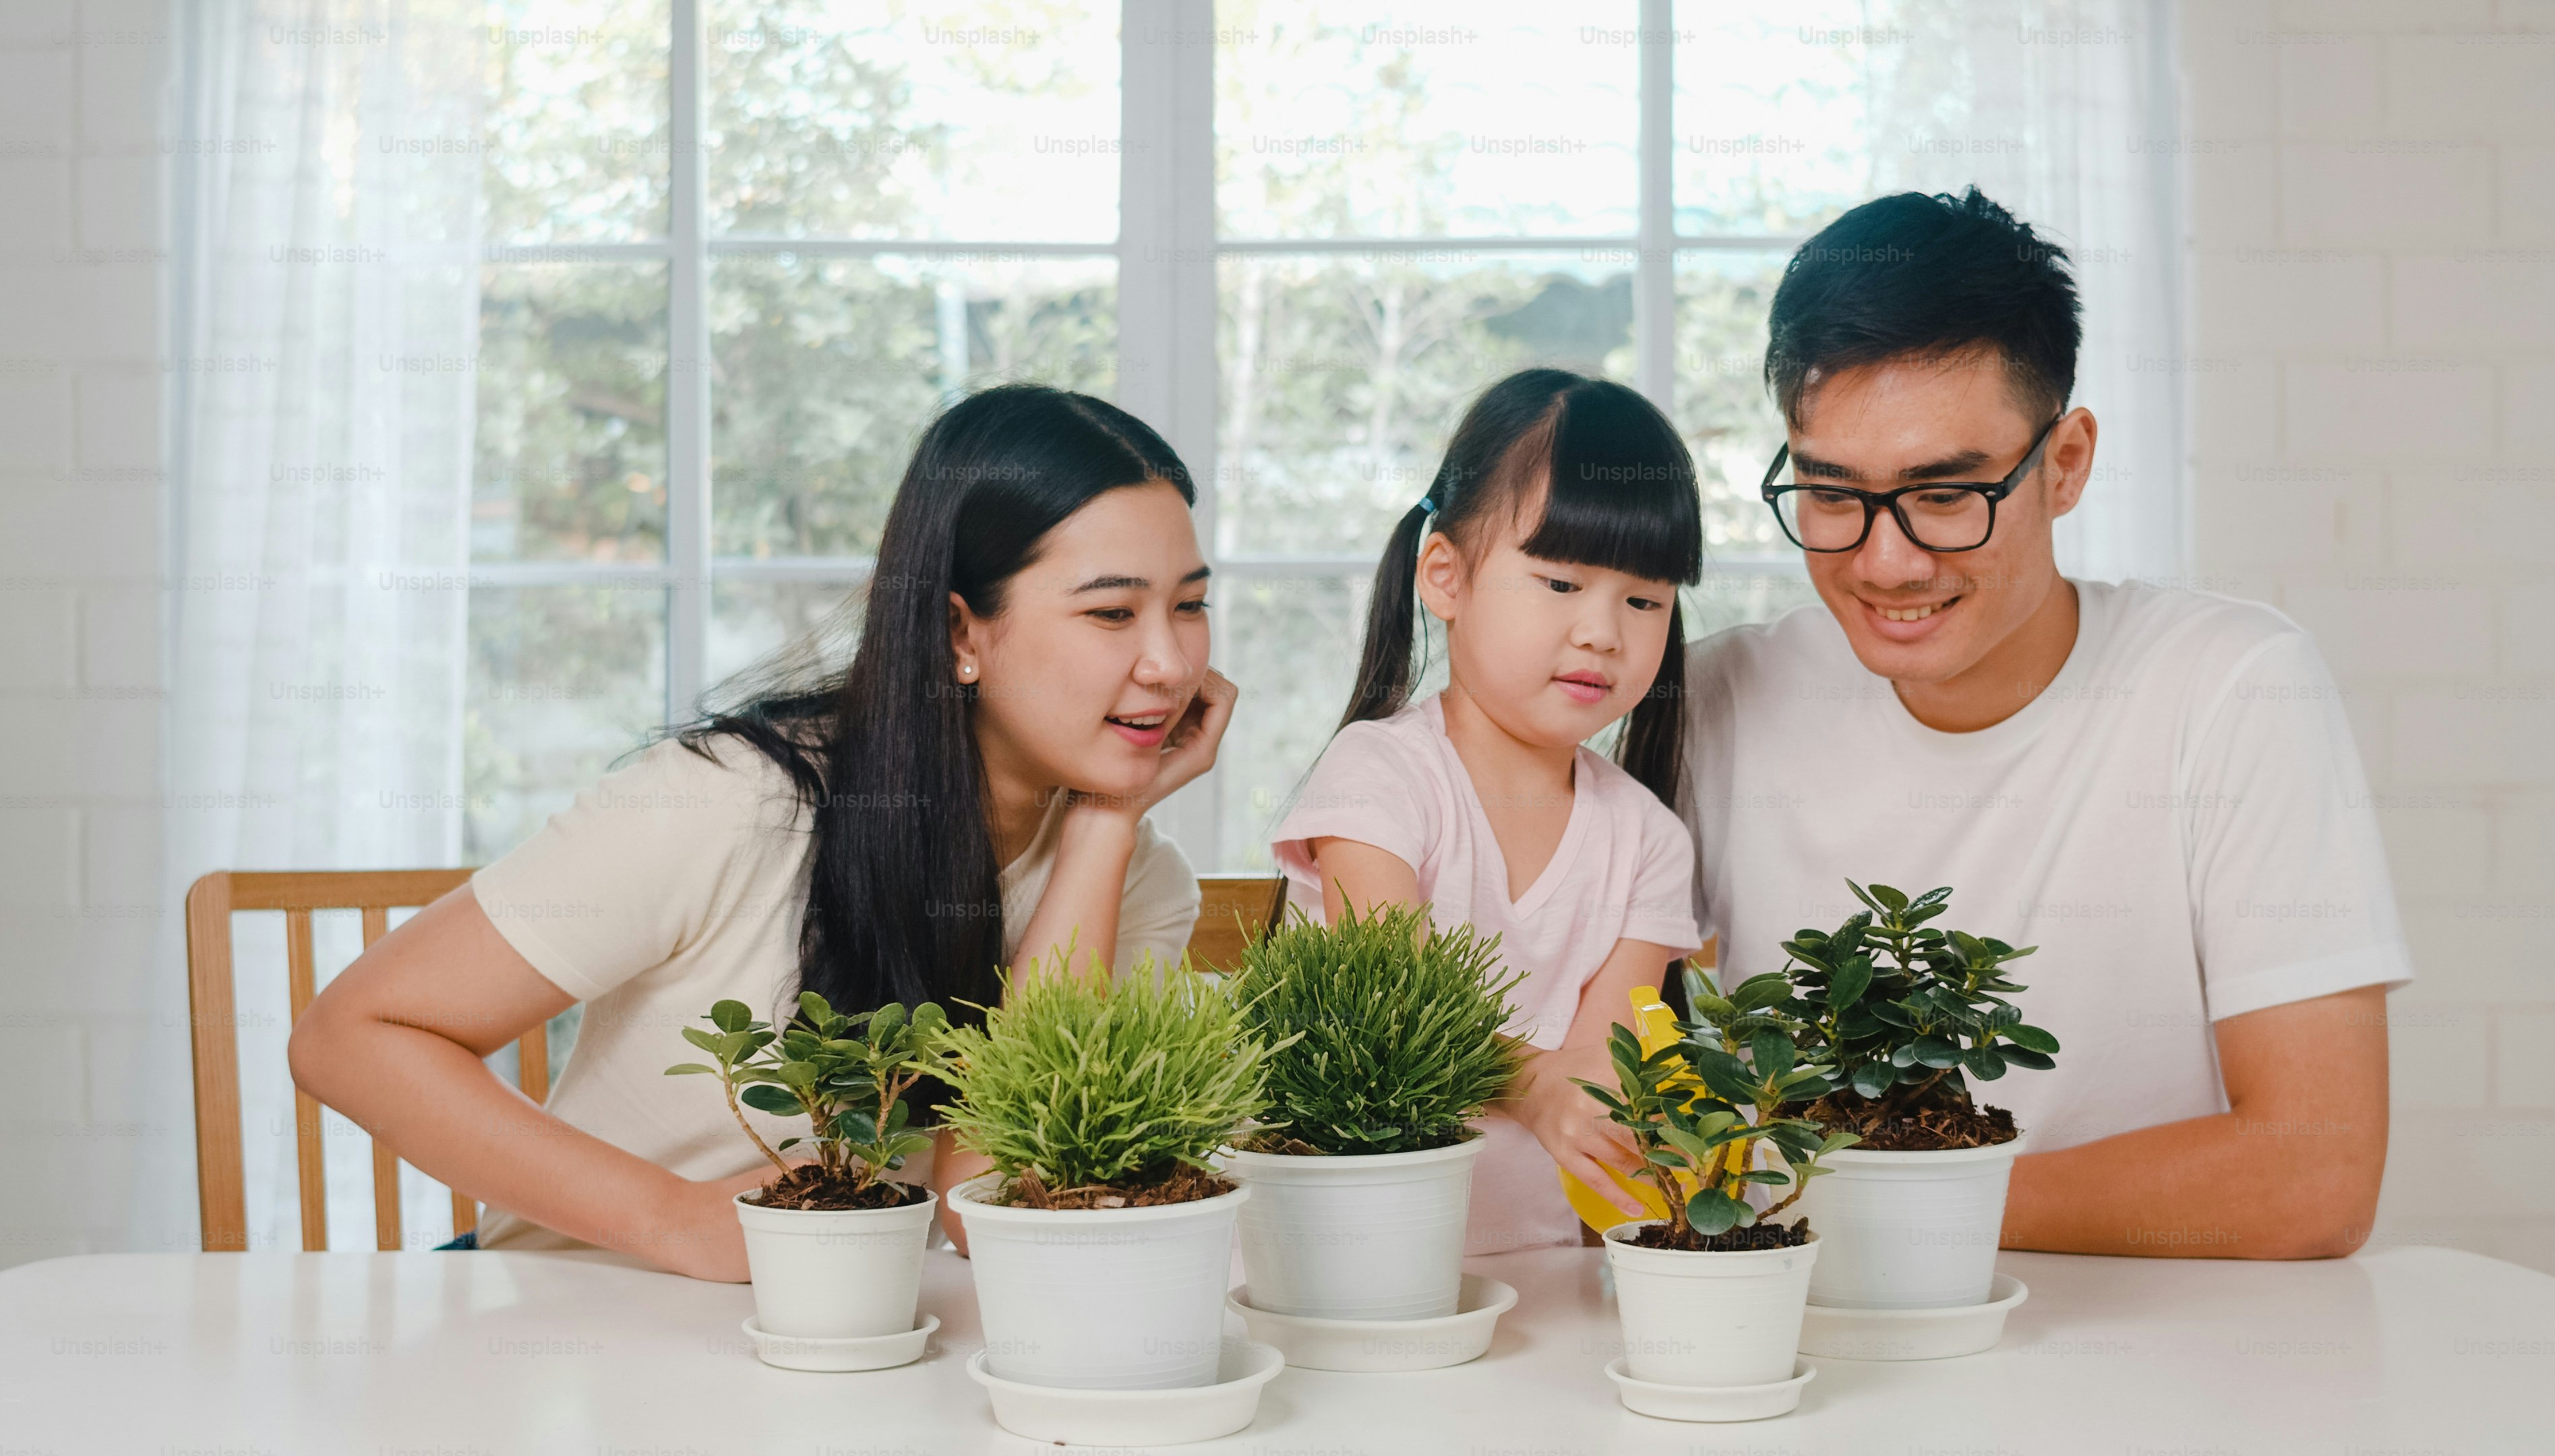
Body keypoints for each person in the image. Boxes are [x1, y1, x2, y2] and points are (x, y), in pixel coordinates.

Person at [289, 385, 1234, 1277]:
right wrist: (678, 1220)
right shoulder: (736, 801)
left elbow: (982, 1206)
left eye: (1189, 606)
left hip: (817, 1337)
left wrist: (1105, 827)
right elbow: (351, 1036)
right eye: (1113, 612)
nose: (1168, 663)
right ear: (960, 633)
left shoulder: (1133, 882)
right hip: (560, 1306)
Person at [1681, 187, 2407, 1258]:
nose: (1887, 561)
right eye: (1832, 494)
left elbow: (2315, 1173)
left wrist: (1880, 1218)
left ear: (2064, 464)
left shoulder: (2233, 689)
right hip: (1809, 1339)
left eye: (1945, 495)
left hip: (2150, 1345)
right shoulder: (1717, 701)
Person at [1271, 369, 1708, 1254]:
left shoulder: (1650, 842)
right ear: (1446, 576)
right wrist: (1535, 1085)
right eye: (1560, 583)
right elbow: (1396, 1010)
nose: (1603, 632)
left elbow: (1600, 1077)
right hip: (1345, 1264)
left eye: (1644, 599)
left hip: (1540, 1269)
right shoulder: (1380, 776)